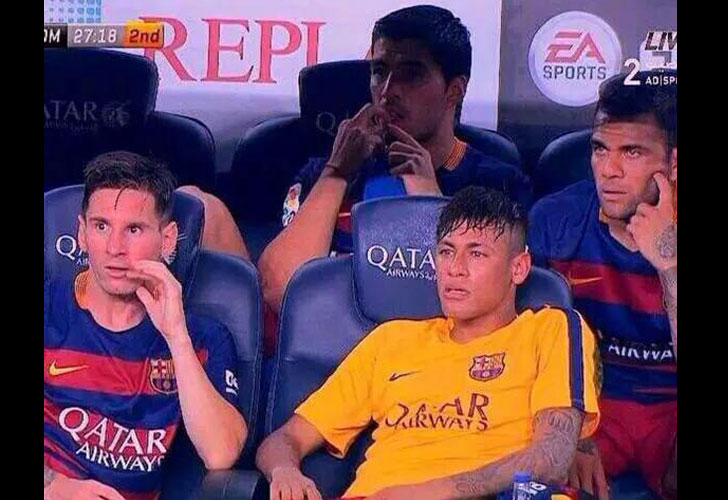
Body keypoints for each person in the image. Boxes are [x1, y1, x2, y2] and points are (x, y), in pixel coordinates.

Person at [256, 186, 599, 500]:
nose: (455, 269)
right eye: (447, 252)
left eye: (477, 254)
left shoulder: (551, 329)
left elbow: (550, 458)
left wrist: (429, 492)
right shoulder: (391, 340)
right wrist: (284, 471)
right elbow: (286, 439)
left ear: (519, 268)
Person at [258, 5, 533, 324]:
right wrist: (337, 173)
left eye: (410, 75)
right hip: (331, 343)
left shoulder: (498, 185)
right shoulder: (325, 172)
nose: (387, 92)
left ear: (454, 90)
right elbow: (281, 290)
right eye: (379, 72)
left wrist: (428, 203)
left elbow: (483, 311)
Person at [44, 151, 247, 499]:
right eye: (101, 226)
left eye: (134, 229)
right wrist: (52, 486)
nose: (115, 248)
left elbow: (221, 452)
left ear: (167, 240)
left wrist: (176, 336)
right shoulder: (49, 309)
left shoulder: (202, 337)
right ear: (82, 232)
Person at [527, 71, 677, 499]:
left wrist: (669, 263)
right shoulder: (555, 220)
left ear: (674, 163)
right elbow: (523, 349)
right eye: (599, 149)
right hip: (592, 407)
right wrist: (569, 428)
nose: (609, 171)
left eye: (632, 152)